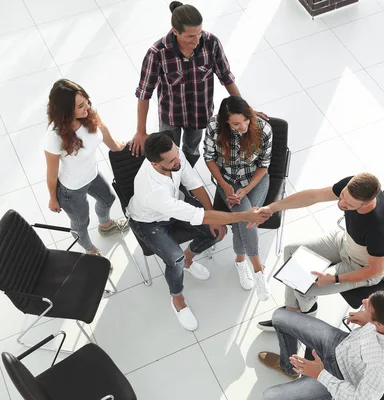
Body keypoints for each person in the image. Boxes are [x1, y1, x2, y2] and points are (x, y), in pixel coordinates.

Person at [127, 132, 271, 331]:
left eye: (177, 154)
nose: (178, 160)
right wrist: (244, 216)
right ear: (155, 164)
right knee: (174, 260)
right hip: (149, 223)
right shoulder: (154, 192)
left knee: (215, 233)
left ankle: (189, 258)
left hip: (175, 202)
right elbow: (197, 215)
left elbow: (194, 184)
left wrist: (213, 214)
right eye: (172, 160)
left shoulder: (174, 156)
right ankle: (177, 298)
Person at [130, 1, 267, 166]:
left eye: (199, 33)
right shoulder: (157, 53)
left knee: (191, 151)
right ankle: (172, 182)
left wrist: (247, 110)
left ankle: (186, 179)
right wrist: (140, 131)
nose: (196, 40)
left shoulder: (211, 43)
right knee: (167, 154)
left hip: (199, 113)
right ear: (175, 32)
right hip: (171, 114)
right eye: (190, 36)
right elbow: (144, 93)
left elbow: (226, 78)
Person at [257, 173, 384, 331]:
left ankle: (304, 315)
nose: (341, 203)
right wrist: (271, 208)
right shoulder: (353, 185)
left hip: (361, 266)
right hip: (344, 242)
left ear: (365, 204)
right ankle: (293, 311)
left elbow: (374, 270)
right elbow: (313, 196)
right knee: (291, 253)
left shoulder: (380, 227)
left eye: (349, 204)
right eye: (342, 195)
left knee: (304, 286)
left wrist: (334, 278)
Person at [258, 291, 384, 400]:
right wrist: (367, 319)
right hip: (341, 344)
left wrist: (320, 374)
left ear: (379, 324)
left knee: (269, 396)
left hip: (341, 376)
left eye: (367, 307)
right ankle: (289, 369)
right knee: (279, 317)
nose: (363, 301)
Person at [45, 79, 128, 257]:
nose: (87, 107)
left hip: (92, 174)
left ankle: (105, 226)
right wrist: (53, 198)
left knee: (108, 199)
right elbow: (51, 174)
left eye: (86, 101)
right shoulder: (55, 136)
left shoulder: (88, 111)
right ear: (67, 111)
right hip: (71, 189)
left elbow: (102, 128)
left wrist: (116, 147)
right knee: (81, 223)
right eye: (81, 106)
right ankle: (90, 251)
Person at [204, 96, 272, 301]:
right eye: (235, 123)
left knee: (245, 219)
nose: (242, 126)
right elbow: (208, 158)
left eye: (245, 120)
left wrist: (246, 189)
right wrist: (225, 186)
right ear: (226, 121)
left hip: (256, 180)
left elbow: (264, 165)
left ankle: (243, 261)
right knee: (247, 218)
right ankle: (257, 269)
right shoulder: (214, 127)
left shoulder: (263, 129)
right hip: (228, 182)